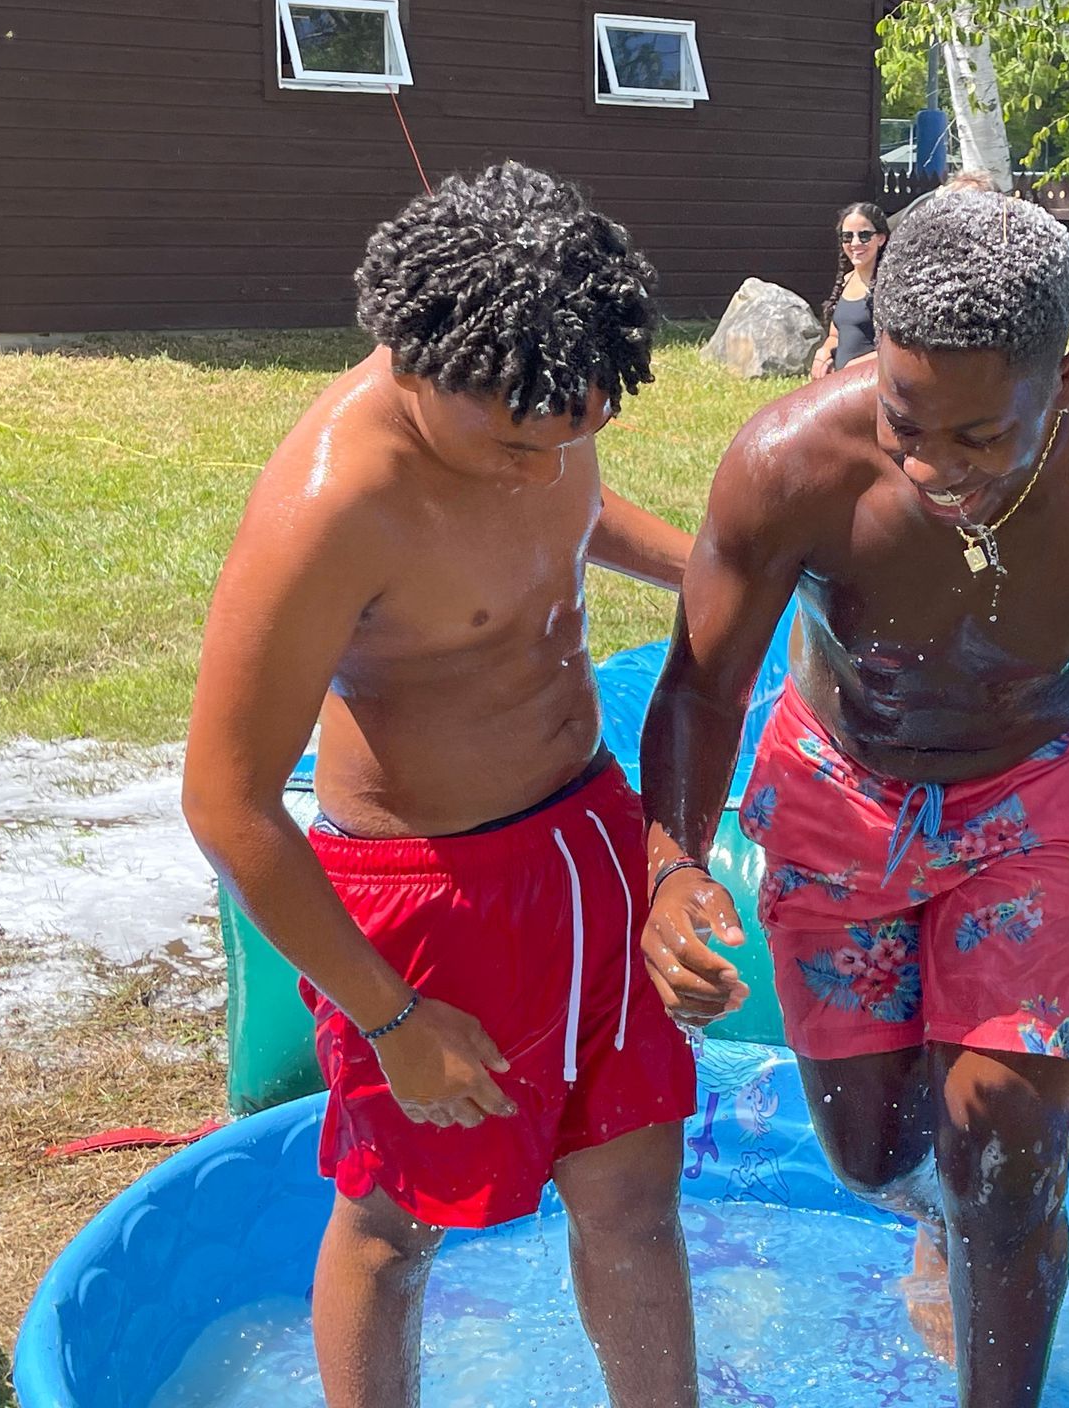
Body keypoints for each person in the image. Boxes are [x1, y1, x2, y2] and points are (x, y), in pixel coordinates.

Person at [637, 189, 1069, 1405]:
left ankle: (991, 1271)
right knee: (872, 1158)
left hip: (1036, 802)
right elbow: (701, 687)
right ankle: (940, 1211)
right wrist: (671, 866)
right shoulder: (791, 461)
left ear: (1061, 377)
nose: (932, 467)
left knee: (1005, 1172)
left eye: (978, 437)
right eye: (907, 421)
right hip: (840, 794)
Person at [183, 163, 700, 1408]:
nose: (545, 470)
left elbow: (569, 505)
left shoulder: (538, 391)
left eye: (576, 433)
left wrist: (712, 571)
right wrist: (391, 1018)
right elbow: (226, 803)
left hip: (587, 836)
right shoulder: (334, 507)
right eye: (517, 445)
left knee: (634, 1200)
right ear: (415, 360)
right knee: (394, 1227)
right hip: (427, 904)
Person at [911, 169, 1069, 331]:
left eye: (973, 209)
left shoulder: (1023, 252)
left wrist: (1045, 349)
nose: (964, 218)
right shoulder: (930, 254)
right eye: (954, 209)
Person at [810, 201, 890, 378]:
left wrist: (858, 365)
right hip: (842, 384)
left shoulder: (889, 286)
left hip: (873, 384)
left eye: (864, 235)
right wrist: (824, 351)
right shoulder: (845, 281)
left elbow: (897, 347)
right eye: (847, 236)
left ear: (881, 239)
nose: (855, 243)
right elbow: (835, 335)